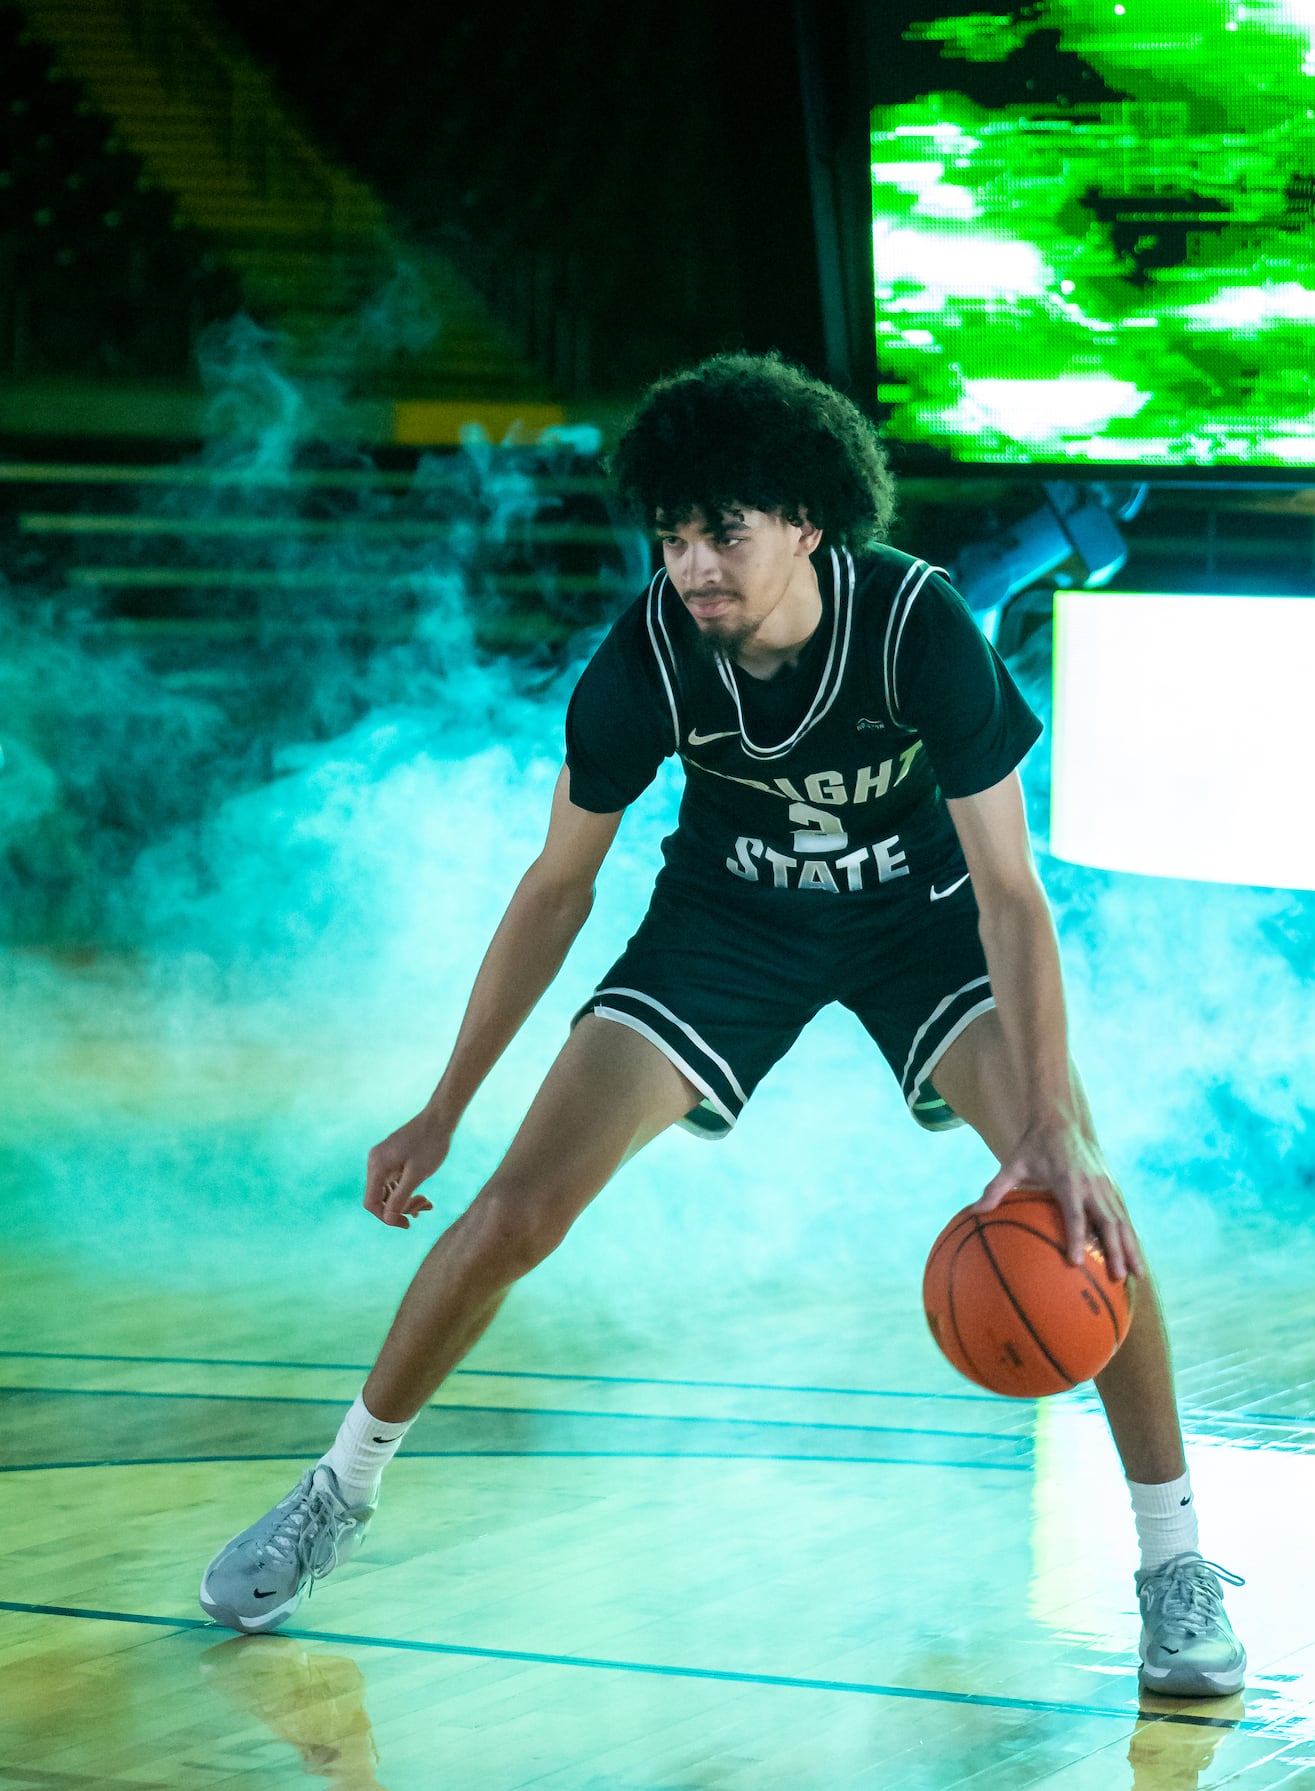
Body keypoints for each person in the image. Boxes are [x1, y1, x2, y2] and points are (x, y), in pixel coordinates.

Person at [200, 353, 1245, 1697]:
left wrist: (1048, 1119)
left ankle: (1172, 1563)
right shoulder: (645, 653)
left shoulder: (919, 625)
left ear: (808, 519)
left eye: (724, 530)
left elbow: (1010, 893)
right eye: (674, 532)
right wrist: (444, 1104)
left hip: (917, 922)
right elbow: (558, 885)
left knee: (1084, 1204)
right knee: (513, 1209)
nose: (694, 561)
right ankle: (335, 1493)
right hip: (727, 924)